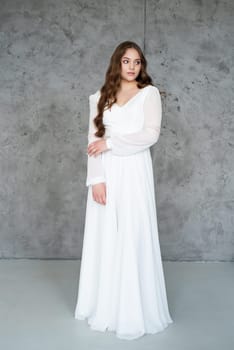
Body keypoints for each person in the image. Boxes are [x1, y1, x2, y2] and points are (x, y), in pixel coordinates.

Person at [74, 40, 173, 340]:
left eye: (137, 62)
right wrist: (97, 181)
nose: (132, 67)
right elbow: (93, 140)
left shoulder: (149, 94)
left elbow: (150, 135)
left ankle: (133, 308)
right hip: (107, 172)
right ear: (117, 63)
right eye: (126, 61)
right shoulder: (99, 97)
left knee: (132, 232)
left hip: (134, 172)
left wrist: (113, 143)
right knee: (106, 235)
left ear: (142, 66)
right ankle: (105, 304)